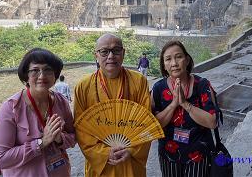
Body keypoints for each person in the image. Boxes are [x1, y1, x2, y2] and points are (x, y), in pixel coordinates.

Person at [0, 48, 76, 177]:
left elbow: (74, 137)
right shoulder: (11, 107)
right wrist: (41, 143)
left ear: (55, 75)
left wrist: (59, 139)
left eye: (48, 70)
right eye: (35, 70)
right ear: (26, 75)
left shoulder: (61, 101)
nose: (42, 76)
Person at [74, 33, 151, 177]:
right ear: (96, 55)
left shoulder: (139, 82)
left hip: (130, 161)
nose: (110, 56)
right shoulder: (83, 87)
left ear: (123, 53)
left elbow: (146, 123)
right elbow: (81, 129)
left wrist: (132, 150)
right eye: (104, 51)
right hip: (101, 165)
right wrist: (103, 153)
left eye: (116, 50)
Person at [151, 41, 217, 177]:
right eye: (168, 59)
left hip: (198, 154)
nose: (174, 63)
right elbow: (153, 127)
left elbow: (212, 122)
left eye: (178, 57)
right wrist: (174, 104)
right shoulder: (158, 88)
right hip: (168, 154)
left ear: (187, 60)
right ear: (164, 64)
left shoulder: (202, 85)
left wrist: (185, 103)